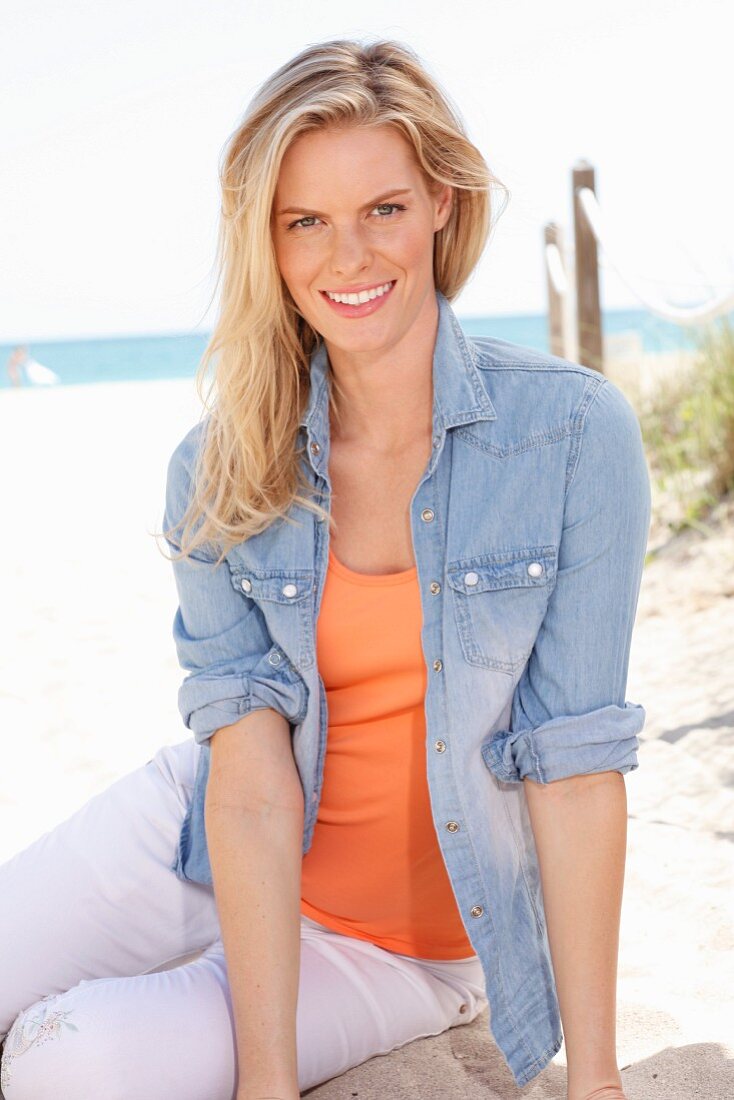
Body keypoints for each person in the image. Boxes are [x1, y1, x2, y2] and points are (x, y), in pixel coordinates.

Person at [0, 37, 650, 1100]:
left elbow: (573, 769)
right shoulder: (220, 465)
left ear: (441, 200)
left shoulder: (574, 435)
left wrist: (597, 1080)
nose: (346, 258)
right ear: (267, 236)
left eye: (381, 210)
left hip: (395, 947)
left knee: (63, 1058)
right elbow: (251, 781)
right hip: (203, 834)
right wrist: (265, 1077)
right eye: (305, 220)